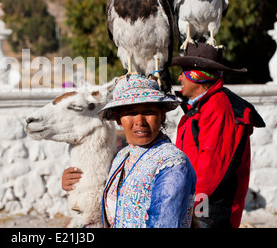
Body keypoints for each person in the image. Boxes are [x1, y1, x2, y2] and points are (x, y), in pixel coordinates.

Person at [63, 74, 196, 228]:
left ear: (162, 115)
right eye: (131, 113)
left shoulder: (173, 165)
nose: (140, 121)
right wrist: (75, 184)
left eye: (148, 111)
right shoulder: (122, 156)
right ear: (119, 119)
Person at [170, 43, 265, 228]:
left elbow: (210, 171)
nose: (180, 77)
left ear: (197, 76)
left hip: (210, 210)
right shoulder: (204, 106)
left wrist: (192, 208)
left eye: (184, 72)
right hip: (200, 205)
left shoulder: (218, 107)